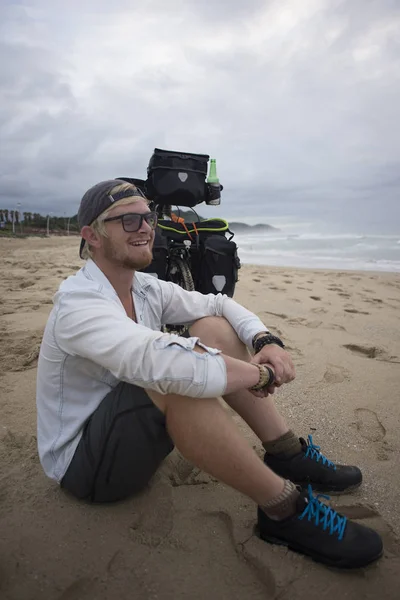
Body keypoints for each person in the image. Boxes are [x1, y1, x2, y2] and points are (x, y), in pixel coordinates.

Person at [36, 179, 383, 569]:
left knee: (212, 325)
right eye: (129, 221)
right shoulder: (78, 303)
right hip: (87, 469)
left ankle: (286, 453)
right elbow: (159, 361)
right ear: (92, 236)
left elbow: (218, 302)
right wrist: (258, 376)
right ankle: (284, 510)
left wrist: (265, 339)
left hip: (131, 434)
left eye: (148, 217)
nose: (147, 227)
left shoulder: (145, 287)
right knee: (175, 378)